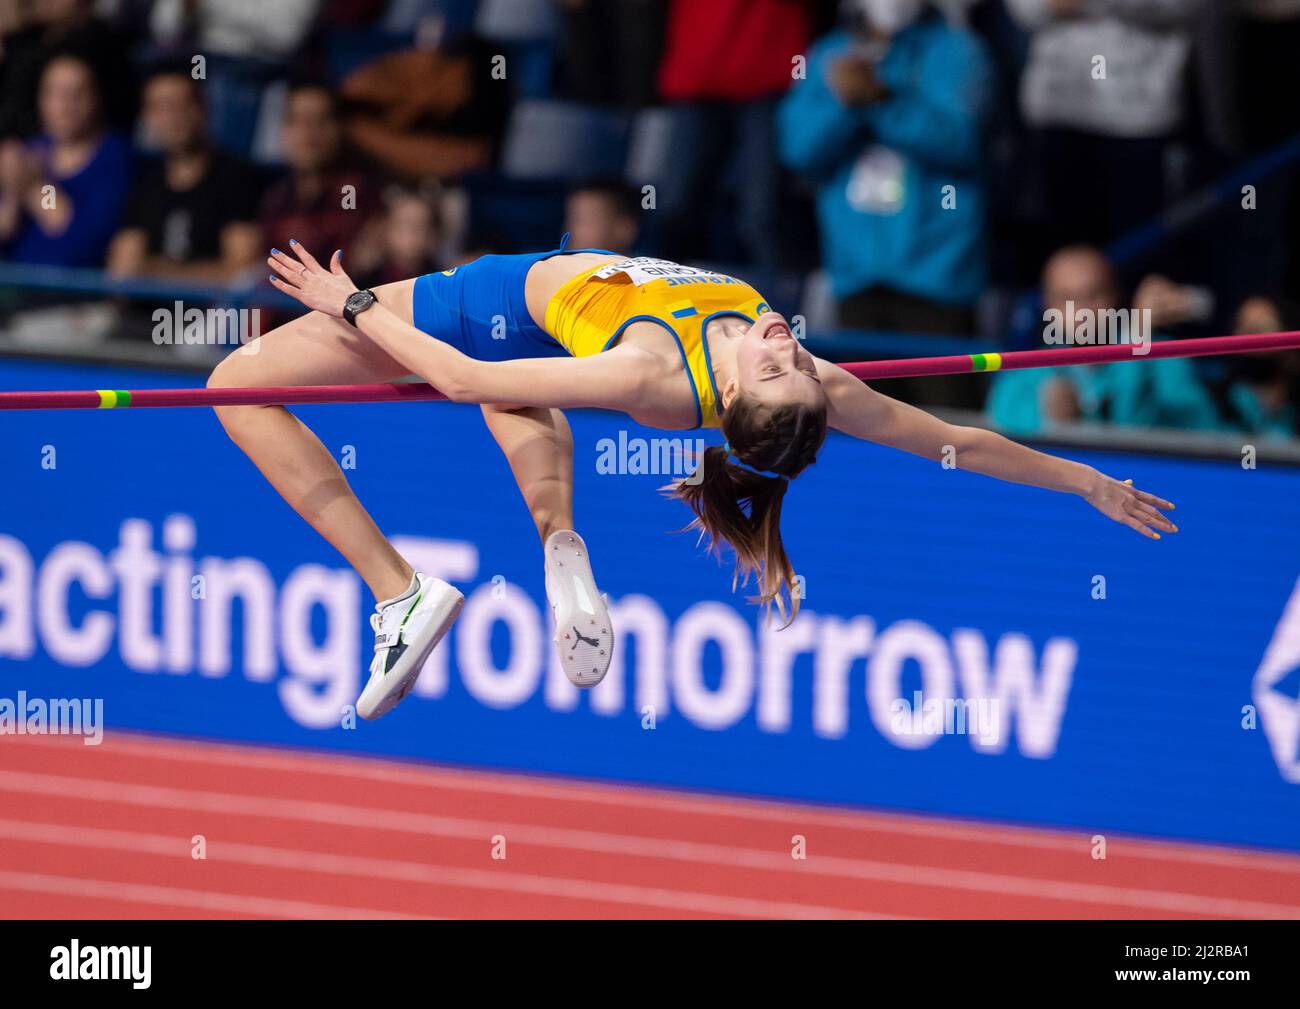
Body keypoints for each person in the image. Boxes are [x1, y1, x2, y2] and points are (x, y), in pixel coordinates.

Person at [208, 240, 1178, 720]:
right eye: (793, 355)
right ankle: (559, 547)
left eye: (774, 362)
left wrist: (355, 300)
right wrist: (1081, 479)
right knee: (525, 403)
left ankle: (398, 589)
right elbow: (956, 441)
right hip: (549, 337)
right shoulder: (815, 389)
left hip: (488, 308)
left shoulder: (655, 374)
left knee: (233, 385)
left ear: (738, 396)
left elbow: (459, 375)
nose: (782, 342)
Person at [107, 66, 263, 283]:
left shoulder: (237, 178)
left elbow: (241, 275)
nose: (171, 117)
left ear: (202, 109)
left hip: (212, 314)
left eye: (179, 105)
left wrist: (154, 270)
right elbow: (121, 274)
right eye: (159, 108)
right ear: (146, 117)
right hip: (142, 314)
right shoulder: (145, 183)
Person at [0, 52, 131, 267]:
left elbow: (79, 246)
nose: (65, 105)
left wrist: (34, 186)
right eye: (55, 93)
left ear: (96, 98)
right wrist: (12, 191)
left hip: (75, 294)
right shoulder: (32, 149)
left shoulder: (113, 156)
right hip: (16, 287)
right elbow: (5, 232)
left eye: (77, 94)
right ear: (40, 100)